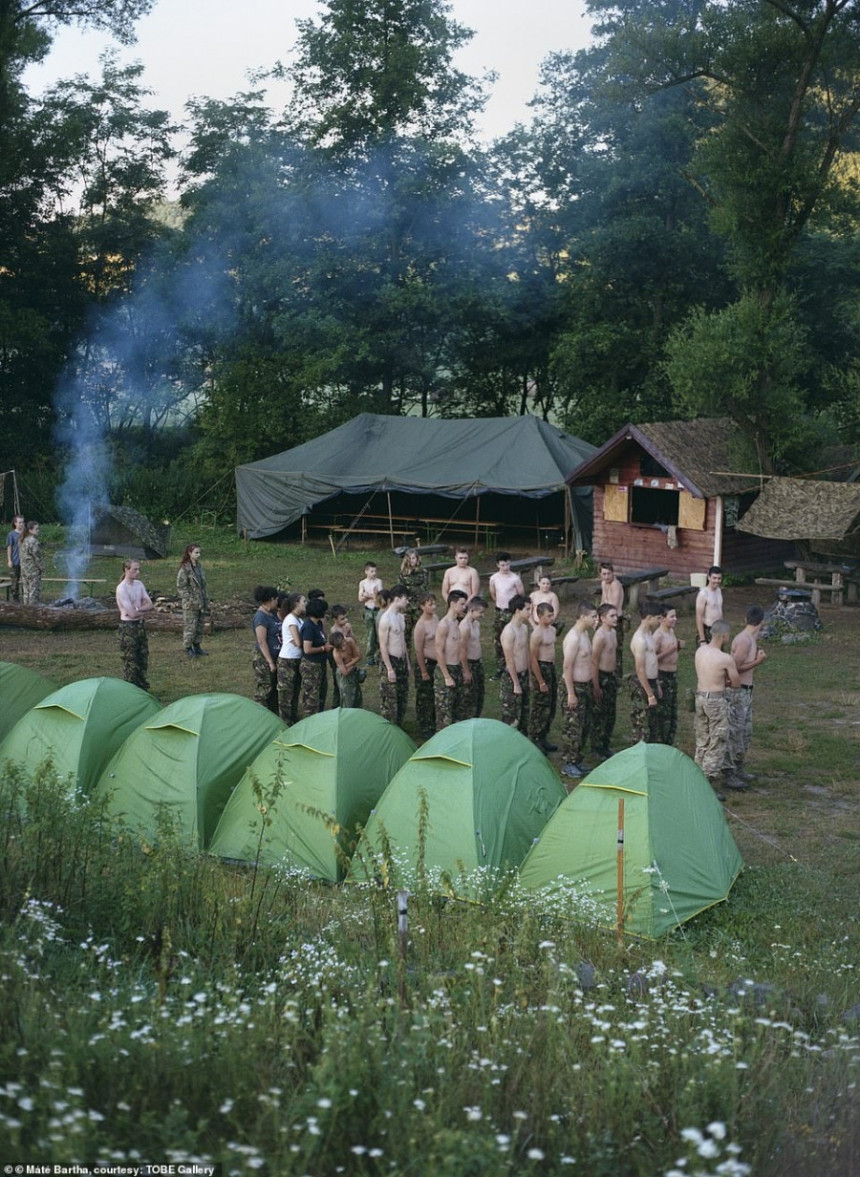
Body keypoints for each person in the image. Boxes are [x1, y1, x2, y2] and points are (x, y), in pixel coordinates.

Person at [694, 619, 740, 799]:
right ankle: (708, 780)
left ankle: (697, 774)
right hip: (716, 700)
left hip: (700, 697)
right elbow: (736, 682)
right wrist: (726, 680)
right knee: (717, 740)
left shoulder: (700, 651)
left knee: (702, 738)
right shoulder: (724, 658)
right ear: (725, 636)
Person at [724, 604, 767, 789]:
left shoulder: (751, 638)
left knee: (745, 732)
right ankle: (728, 772)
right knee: (735, 732)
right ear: (762, 622)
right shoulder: (744, 640)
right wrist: (758, 662)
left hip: (747, 692)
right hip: (738, 692)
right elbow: (733, 667)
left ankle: (739, 767)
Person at [560, 600, 597, 779]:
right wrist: (571, 693)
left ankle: (577, 758)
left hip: (585, 686)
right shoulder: (574, 637)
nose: (595, 619)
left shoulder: (585, 635)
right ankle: (568, 762)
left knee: (584, 725)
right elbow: (567, 667)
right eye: (593, 616)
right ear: (583, 617)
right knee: (572, 727)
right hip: (574, 686)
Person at [116, 559, 153, 691]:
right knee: (131, 660)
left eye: (139, 569)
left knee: (142, 657)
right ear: (126, 570)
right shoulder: (122, 588)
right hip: (128, 628)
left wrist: (138, 609)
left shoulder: (139, 584)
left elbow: (150, 604)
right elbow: (130, 613)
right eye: (134, 569)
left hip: (139, 626)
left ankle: (143, 687)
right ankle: (130, 689)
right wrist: (139, 610)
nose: (138, 572)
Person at [434, 589, 468, 730]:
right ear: (453, 604)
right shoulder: (444, 624)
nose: (464, 607)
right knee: (444, 713)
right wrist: (446, 676)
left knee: (457, 709)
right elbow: (438, 651)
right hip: (446, 669)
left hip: (456, 668)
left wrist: (463, 670)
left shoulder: (456, 623)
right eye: (462, 604)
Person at [629, 601, 663, 744]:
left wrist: (657, 685)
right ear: (649, 618)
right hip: (643, 685)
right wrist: (649, 694)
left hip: (652, 682)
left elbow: (653, 661)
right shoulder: (640, 640)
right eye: (658, 618)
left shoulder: (649, 634)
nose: (660, 621)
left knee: (653, 724)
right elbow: (640, 669)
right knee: (642, 726)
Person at [378, 584, 410, 727]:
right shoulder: (386, 619)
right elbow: (383, 645)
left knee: (402, 696)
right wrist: (389, 668)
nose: (407, 601)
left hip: (401, 661)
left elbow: (403, 641)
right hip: (391, 660)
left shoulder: (401, 617)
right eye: (405, 599)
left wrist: (407, 662)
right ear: (397, 599)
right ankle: (388, 728)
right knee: (390, 699)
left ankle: (399, 726)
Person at [528, 602, 558, 753]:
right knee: (540, 706)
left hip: (551, 668)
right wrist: (540, 681)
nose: (552, 618)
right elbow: (533, 659)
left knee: (551, 705)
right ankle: (535, 737)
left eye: (552, 615)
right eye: (549, 615)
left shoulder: (552, 630)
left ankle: (544, 736)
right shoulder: (536, 634)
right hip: (541, 667)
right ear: (539, 616)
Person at [499, 594, 531, 734]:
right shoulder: (509, 631)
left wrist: (529, 677)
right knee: (511, 716)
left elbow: (526, 653)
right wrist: (516, 683)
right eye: (528, 609)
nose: (530, 613)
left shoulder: (524, 628)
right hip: (512, 678)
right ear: (518, 610)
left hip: (524, 674)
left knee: (524, 714)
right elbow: (509, 659)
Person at [489, 552, 525, 676]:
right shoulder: (494, 578)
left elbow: (520, 596)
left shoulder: (515, 578)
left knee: (513, 638)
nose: (506, 567)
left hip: (511, 612)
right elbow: (493, 594)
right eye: (503, 565)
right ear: (498, 565)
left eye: (508, 564)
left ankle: (514, 665)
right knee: (498, 639)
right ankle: (500, 666)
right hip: (499, 611)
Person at [590, 603, 619, 758]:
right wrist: (596, 685)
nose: (616, 618)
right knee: (599, 713)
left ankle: (605, 744)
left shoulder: (613, 632)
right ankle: (596, 746)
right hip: (601, 677)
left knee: (610, 713)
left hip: (611, 677)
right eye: (612, 616)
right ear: (602, 618)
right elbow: (594, 661)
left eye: (616, 615)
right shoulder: (600, 636)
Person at [654, 606, 685, 746]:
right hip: (662, 675)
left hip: (673, 675)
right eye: (672, 616)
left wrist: (677, 648)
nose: (675, 619)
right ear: (662, 618)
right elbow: (651, 659)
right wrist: (670, 650)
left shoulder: (671, 631)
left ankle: (669, 741)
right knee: (663, 712)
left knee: (672, 711)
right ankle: (661, 741)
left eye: (675, 616)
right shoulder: (658, 636)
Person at [413, 592, 440, 739]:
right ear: (422, 606)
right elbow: (418, 650)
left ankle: (434, 722)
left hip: (437, 662)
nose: (434, 606)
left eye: (434, 603)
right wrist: (423, 671)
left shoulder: (436, 618)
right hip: (426, 663)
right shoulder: (420, 626)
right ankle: (424, 725)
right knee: (425, 696)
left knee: (435, 694)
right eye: (430, 604)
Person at [176, 543, 210, 658]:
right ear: (190, 553)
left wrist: (205, 599)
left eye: (199, 552)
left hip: (201, 601)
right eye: (196, 552)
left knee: (200, 625)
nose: (198, 555)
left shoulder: (199, 566)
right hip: (190, 603)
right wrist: (190, 599)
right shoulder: (185, 568)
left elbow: (202, 585)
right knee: (190, 626)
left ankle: (197, 645)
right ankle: (188, 647)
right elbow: (181, 586)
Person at [277, 592, 306, 725]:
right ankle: (285, 720)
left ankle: (293, 717)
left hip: (297, 658)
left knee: (295, 690)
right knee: (286, 692)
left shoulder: (299, 619)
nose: (306, 604)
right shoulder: (290, 620)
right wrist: (302, 640)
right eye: (303, 601)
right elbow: (298, 642)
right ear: (296, 604)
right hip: (287, 659)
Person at [299, 598, 331, 717]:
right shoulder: (308, 627)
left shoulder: (318, 624)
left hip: (320, 663)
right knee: (311, 696)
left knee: (321, 692)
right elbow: (307, 649)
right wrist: (323, 648)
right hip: (311, 665)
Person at [252, 585, 281, 713]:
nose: (277, 602)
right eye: (276, 599)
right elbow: (262, 641)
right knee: (265, 687)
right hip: (263, 659)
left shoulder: (273, 614)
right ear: (271, 599)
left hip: (275, 657)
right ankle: (259, 714)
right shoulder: (260, 617)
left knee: (274, 688)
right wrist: (270, 662)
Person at [459, 595, 487, 718]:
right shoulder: (464, 627)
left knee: (479, 695)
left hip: (477, 663)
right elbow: (462, 650)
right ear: (471, 611)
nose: (483, 615)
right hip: (469, 664)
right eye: (480, 612)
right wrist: (466, 671)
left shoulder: (477, 624)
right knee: (468, 698)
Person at [599, 561, 625, 676]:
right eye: (604, 574)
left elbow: (612, 605)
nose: (606, 576)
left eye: (609, 574)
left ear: (613, 573)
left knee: (616, 647)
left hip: (616, 620)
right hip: (605, 619)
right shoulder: (603, 584)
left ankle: (617, 674)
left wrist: (604, 616)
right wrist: (597, 618)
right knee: (606, 646)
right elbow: (603, 601)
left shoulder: (616, 584)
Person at [400, 548, 429, 648]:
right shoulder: (402, 574)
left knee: (420, 633)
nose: (412, 560)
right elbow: (400, 590)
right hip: (406, 607)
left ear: (417, 559)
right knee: (405, 634)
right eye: (410, 558)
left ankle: (419, 660)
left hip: (418, 606)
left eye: (414, 558)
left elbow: (425, 588)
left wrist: (410, 589)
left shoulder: (423, 572)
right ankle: (405, 658)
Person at [358, 562, 383, 666]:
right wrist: (371, 595)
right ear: (366, 572)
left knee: (379, 634)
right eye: (372, 571)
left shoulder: (379, 582)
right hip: (368, 610)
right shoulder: (362, 583)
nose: (374, 573)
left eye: (375, 571)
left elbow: (379, 598)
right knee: (370, 635)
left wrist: (368, 595)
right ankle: (370, 657)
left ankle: (379, 656)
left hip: (377, 610)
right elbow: (360, 598)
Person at [331, 630, 363, 709]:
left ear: (344, 639)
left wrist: (349, 665)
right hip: (344, 677)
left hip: (352, 671)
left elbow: (359, 656)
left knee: (357, 697)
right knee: (347, 700)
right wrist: (353, 664)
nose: (343, 648)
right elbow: (344, 672)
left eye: (343, 644)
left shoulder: (350, 641)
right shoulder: (336, 654)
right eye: (340, 648)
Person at [696, 565, 724, 646]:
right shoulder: (703, 594)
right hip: (708, 631)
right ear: (709, 578)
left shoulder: (719, 591)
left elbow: (719, 611)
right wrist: (702, 640)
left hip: (718, 630)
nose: (717, 581)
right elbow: (699, 617)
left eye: (719, 578)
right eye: (714, 578)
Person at [20, 520, 45, 605]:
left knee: (26, 592)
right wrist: (42, 568)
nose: (38, 531)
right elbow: (38, 558)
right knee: (34, 592)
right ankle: (32, 612)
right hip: (33, 570)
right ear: (30, 530)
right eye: (36, 529)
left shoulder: (23, 540)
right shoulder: (34, 542)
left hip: (24, 569)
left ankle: (25, 611)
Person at [5, 514, 24, 602]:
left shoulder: (26, 533)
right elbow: (9, 547)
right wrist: (9, 560)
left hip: (25, 562)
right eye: (19, 522)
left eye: (22, 522)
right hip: (15, 561)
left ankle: (26, 599)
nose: (21, 524)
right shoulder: (11, 534)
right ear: (15, 523)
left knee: (25, 581)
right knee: (15, 582)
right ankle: (16, 601)